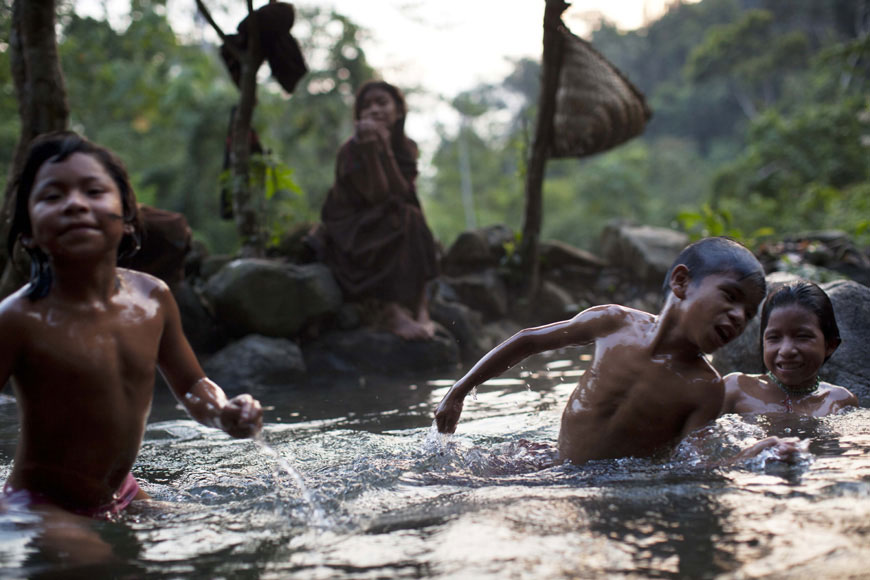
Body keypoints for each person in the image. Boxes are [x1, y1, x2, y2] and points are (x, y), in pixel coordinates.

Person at [0, 133, 262, 535]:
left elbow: (192, 384)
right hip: (40, 506)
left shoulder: (152, 298)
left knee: (236, 532)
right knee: (95, 563)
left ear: (126, 219)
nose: (75, 204)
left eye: (93, 191)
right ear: (28, 233)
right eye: (53, 196)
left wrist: (223, 412)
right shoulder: (18, 319)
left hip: (121, 493)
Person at [435, 237, 776, 465]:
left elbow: (695, 464)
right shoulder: (614, 322)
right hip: (554, 463)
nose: (737, 317)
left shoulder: (705, 388)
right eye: (730, 297)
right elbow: (528, 341)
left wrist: (747, 457)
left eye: (747, 315)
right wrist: (458, 391)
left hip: (617, 484)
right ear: (681, 282)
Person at [317, 80, 439, 340]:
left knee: (412, 216)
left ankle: (421, 308)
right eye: (366, 106)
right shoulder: (349, 151)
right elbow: (377, 196)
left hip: (391, 217)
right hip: (354, 229)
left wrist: (386, 151)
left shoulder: (407, 147)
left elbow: (403, 192)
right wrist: (373, 150)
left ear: (399, 111)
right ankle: (391, 311)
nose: (374, 110)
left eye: (382, 103)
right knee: (403, 217)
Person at [720, 280, 858, 416]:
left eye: (802, 336)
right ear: (763, 342)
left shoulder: (840, 401)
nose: (786, 350)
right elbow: (701, 435)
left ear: (830, 345)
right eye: (774, 337)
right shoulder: (735, 389)